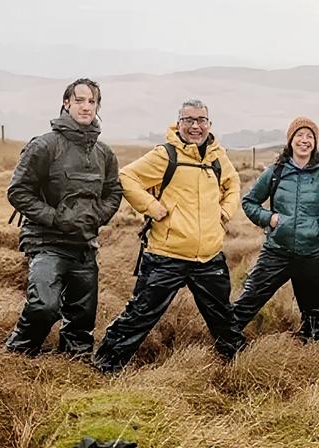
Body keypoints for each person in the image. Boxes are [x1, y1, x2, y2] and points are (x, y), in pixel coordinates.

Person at [94, 99, 245, 373]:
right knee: (141, 313)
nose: (195, 126)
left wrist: (223, 213)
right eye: (189, 120)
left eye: (201, 120)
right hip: (166, 255)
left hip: (209, 256)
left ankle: (239, 365)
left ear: (209, 124)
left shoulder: (216, 157)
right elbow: (127, 177)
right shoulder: (166, 155)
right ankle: (106, 365)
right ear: (179, 123)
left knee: (223, 316)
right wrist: (152, 207)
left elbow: (233, 183)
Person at [5, 78, 122, 358]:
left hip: (84, 244)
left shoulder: (103, 152)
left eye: (91, 101)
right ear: (66, 103)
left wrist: (96, 216)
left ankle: (75, 367)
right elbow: (18, 192)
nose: (86, 106)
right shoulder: (44, 146)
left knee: (82, 318)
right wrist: (56, 218)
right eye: (79, 100)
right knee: (43, 306)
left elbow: (114, 191)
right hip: (47, 241)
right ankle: (18, 355)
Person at [234, 116, 319, 342]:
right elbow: (249, 202)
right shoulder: (276, 171)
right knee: (246, 303)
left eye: (309, 137)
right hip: (277, 252)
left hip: (312, 255)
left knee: (314, 317)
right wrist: (270, 218)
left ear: (315, 142)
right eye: (299, 135)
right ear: (290, 140)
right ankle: (224, 347)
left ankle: (311, 359)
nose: (304, 141)